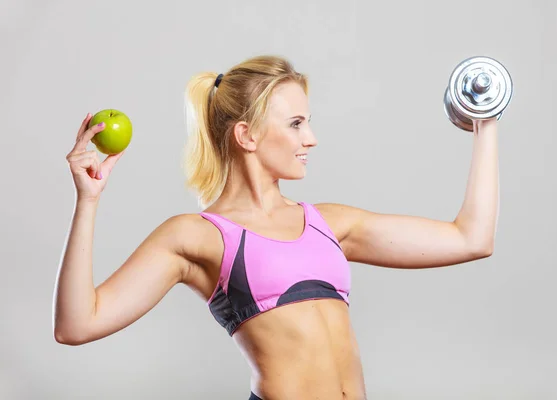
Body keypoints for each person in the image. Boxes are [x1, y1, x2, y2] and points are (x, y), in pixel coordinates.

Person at [53, 55, 499, 400]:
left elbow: (471, 239)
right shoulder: (196, 236)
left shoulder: (330, 224)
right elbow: (77, 325)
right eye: (296, 124)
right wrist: (87, 202)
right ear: (246, 136)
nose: (312, 138)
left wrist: (486, 122)